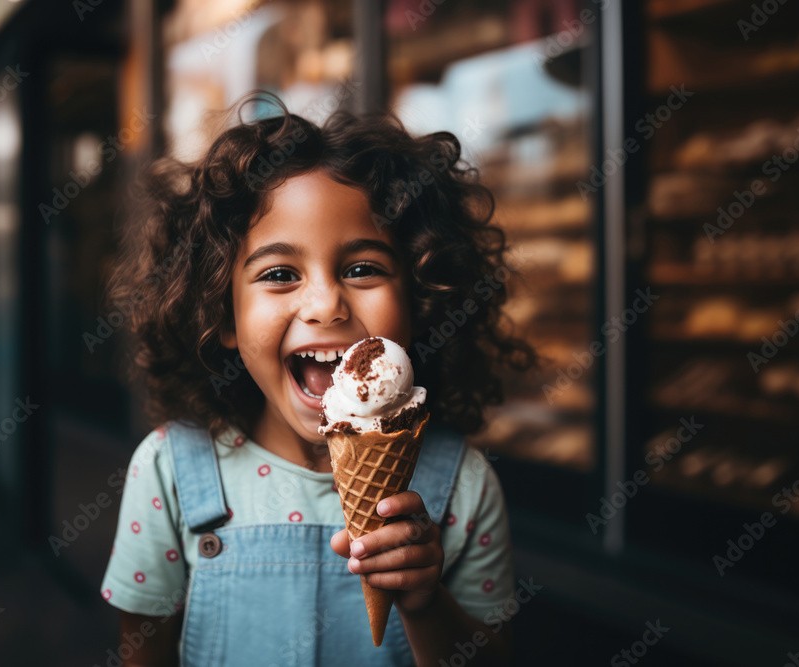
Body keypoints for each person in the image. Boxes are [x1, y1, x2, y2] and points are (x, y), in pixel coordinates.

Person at [100, 92, 535, 666]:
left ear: (419, 302)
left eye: (362, 269)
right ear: (223, 315)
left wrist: (426, 602)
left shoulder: (464, 486)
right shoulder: (169, 472)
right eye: (280, 274)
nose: (326, 304)